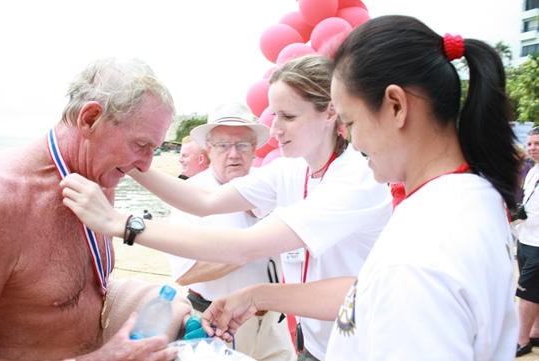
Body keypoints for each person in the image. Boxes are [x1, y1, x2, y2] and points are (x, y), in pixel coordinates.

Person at [198, 15, 521, 360]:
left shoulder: (417, 256)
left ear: (396, 106)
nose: (352, 139)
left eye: (350, 122)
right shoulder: (477, 195)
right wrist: (259, 295)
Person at [60, 54, 393, 361]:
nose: (275, 129)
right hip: (316, 344)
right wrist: (130, 157)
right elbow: (206, 202)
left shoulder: (355, 182)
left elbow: (244, 248)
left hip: (362, 346)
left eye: (289, 116)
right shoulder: (291, 170)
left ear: (330, 113)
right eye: (275, 114)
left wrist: (123, 224)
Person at [0, 57, 192, 361]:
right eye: (140, 144)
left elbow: (84, 291)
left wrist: (172, 312)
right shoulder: (2, 204)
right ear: (90, 119)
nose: (146, 165)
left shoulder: (99, 179)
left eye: (155, 148)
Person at [168, 102, 296, 361]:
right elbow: (185, 273)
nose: (234, 154)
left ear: (254, 148)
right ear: (209, 150)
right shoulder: (190, 196)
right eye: (224, 145)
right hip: (217, 323)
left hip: (274, 321)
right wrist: (250, 247)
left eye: (242, 145)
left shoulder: (273, 184)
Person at [515, 127, 539, 357]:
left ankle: (521, 340)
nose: (532, 148)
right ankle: (534, 331)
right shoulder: (532, 170)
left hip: (537, 244)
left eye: (537, 144)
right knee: (534, 290)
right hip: (525, 237)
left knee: (525, 292)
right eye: (530, 143)